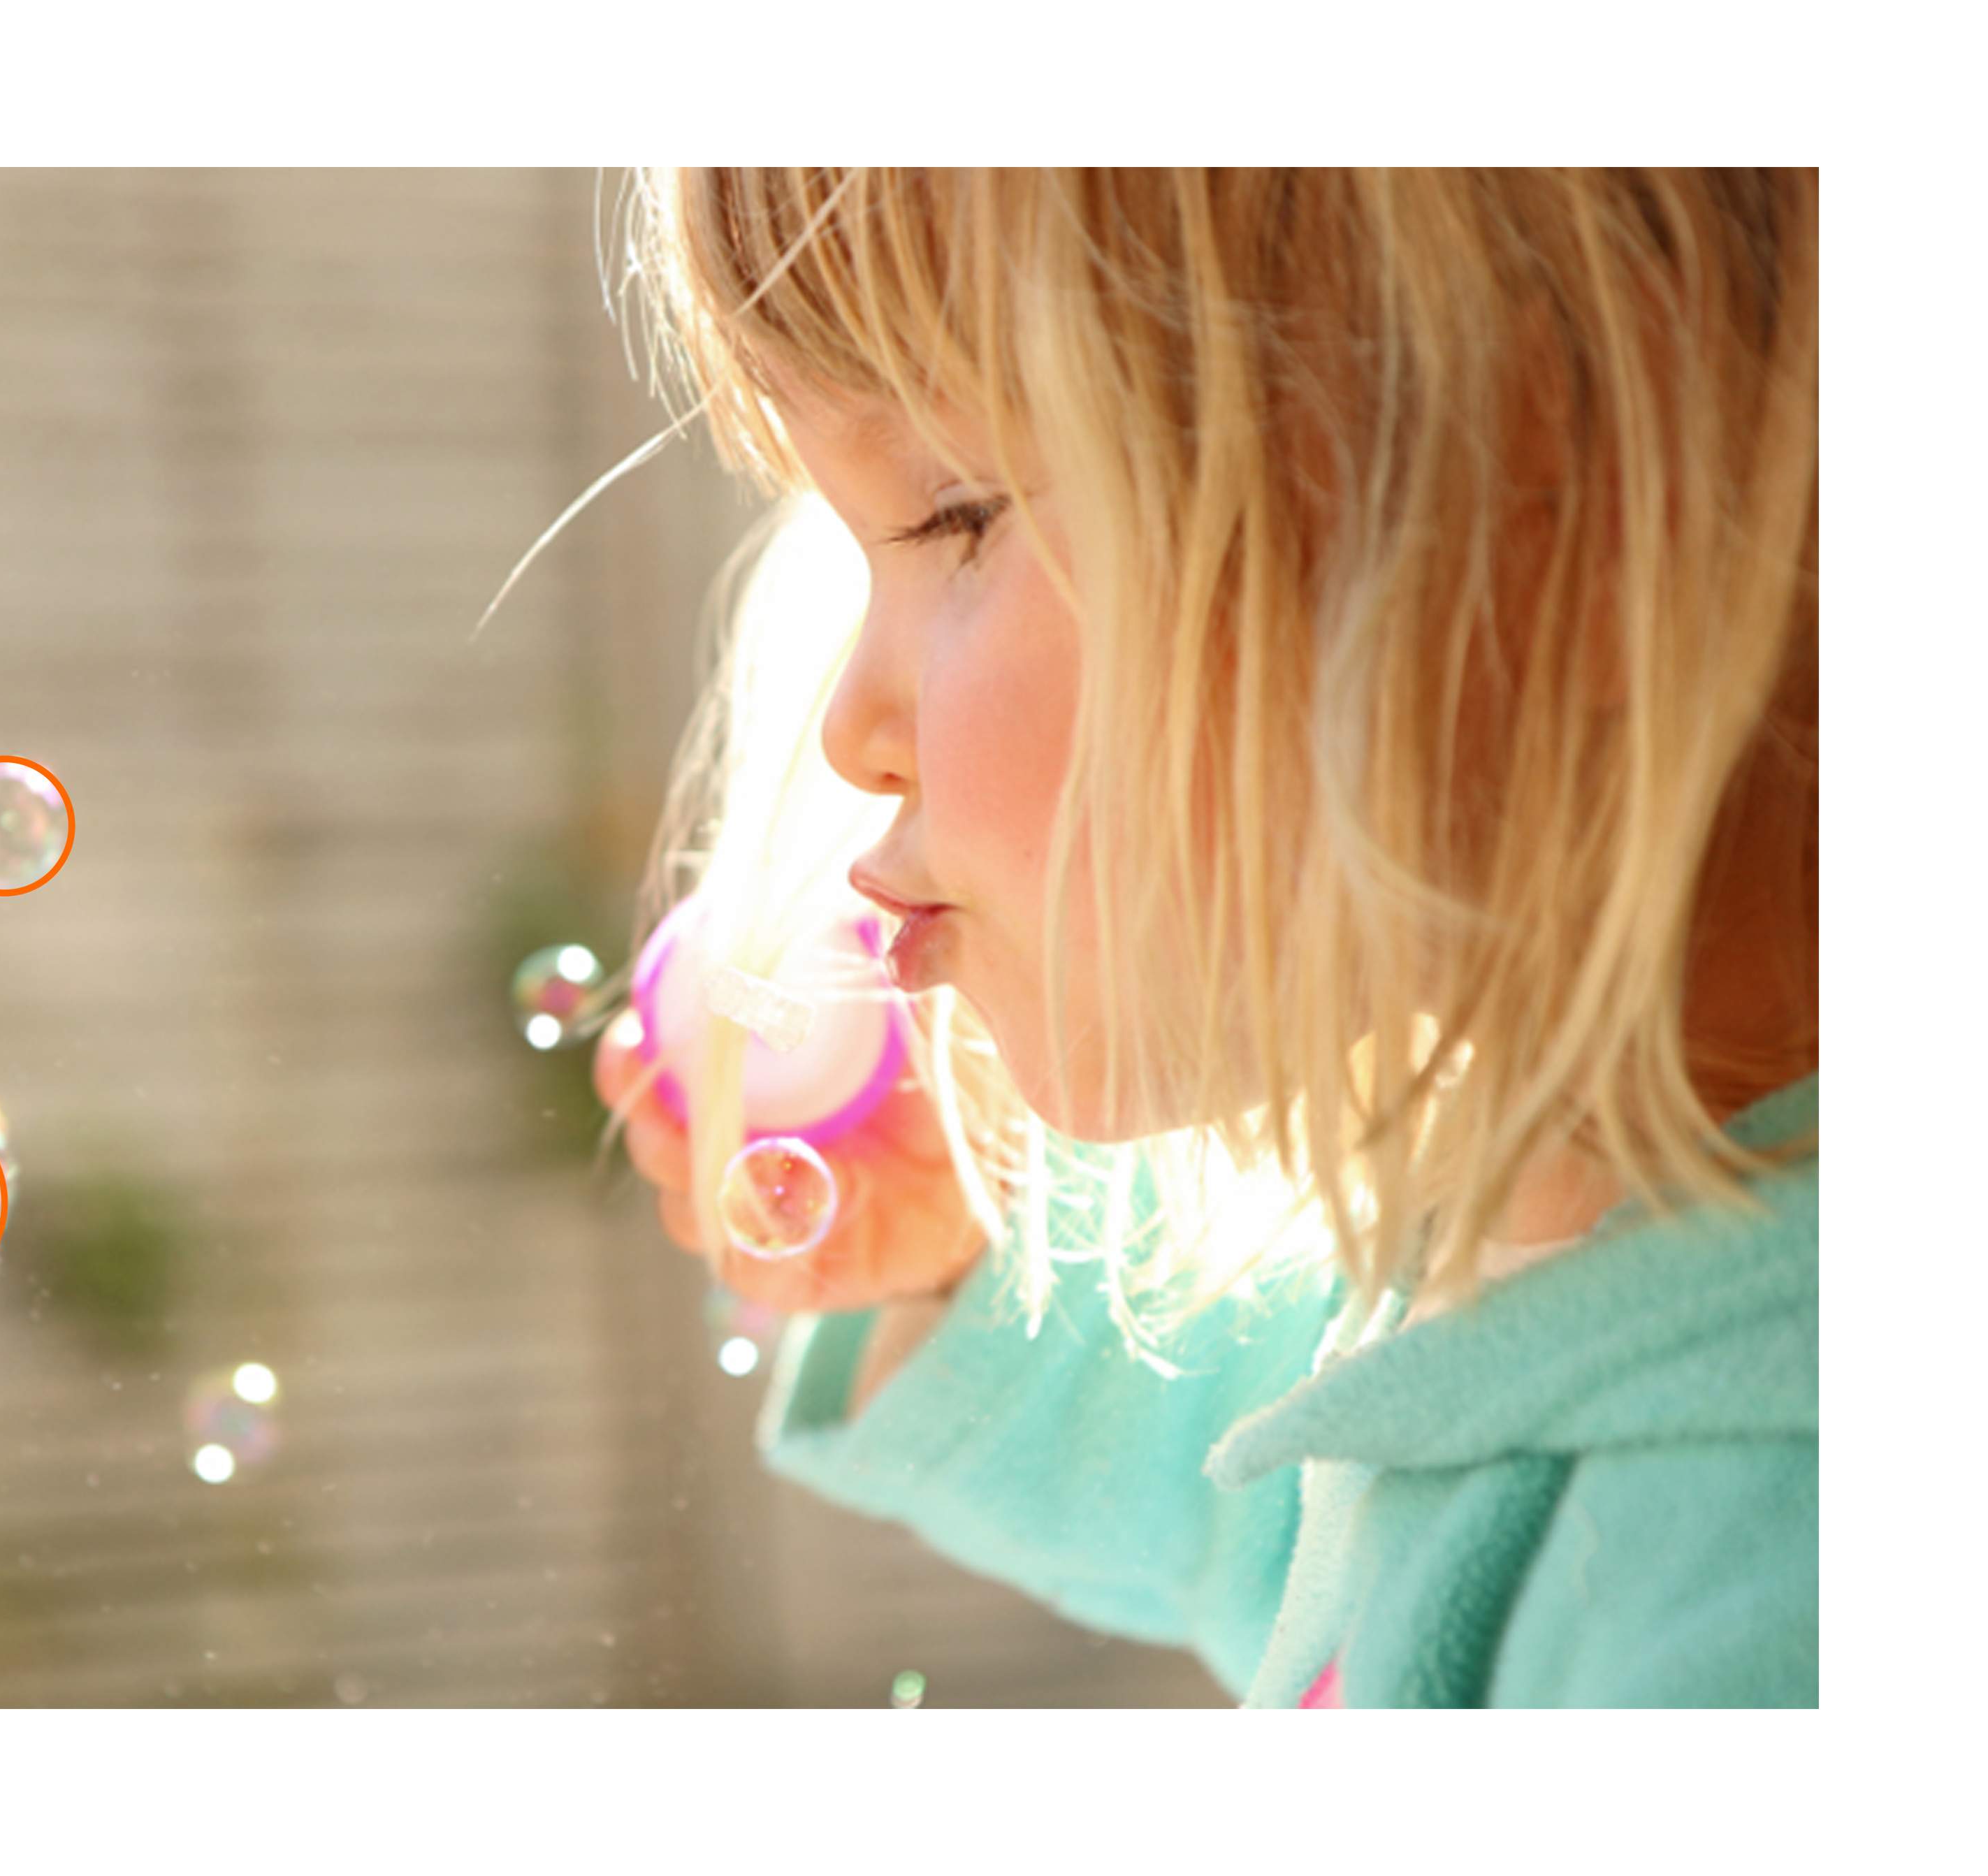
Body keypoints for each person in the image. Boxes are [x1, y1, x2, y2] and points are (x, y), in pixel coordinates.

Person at [591, 169, 1816, 1706]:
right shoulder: (1583, 1301)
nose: (851, 728)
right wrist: (966, 1254)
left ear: (1540, 494)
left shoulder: (1777, 1595)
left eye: (952, 515)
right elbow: (1333, 1483)